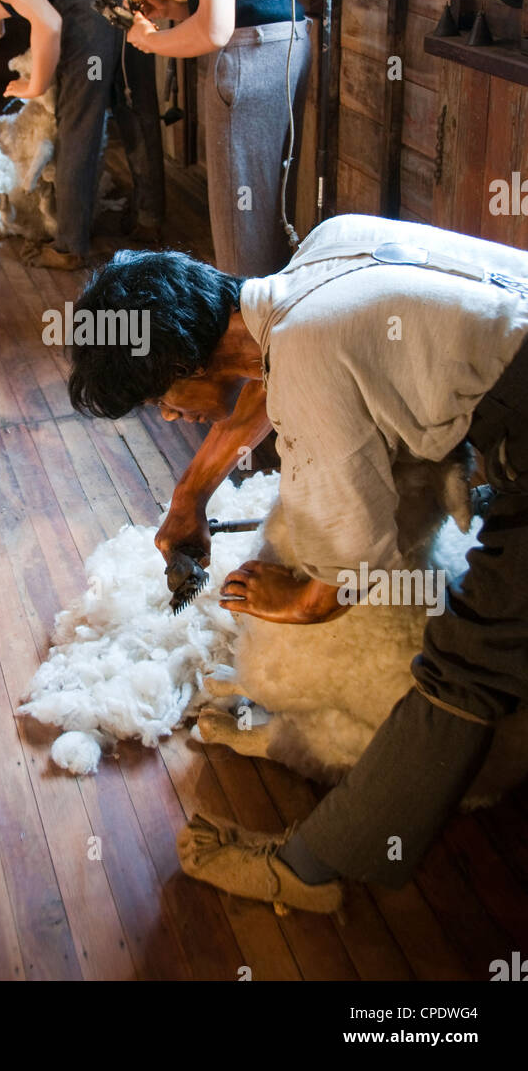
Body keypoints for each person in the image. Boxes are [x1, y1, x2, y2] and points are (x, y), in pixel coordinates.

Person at [66, 213, 528, 915]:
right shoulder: (321, 254)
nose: (165, 416)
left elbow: (356, 558)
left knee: (469, 662)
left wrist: (296, 599)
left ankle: (312, 868)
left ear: (189, 364)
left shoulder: (305, 351)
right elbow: (272, 371)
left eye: (159, 399)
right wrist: (189, 498)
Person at [72, 0, 311, 277]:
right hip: (278, 46)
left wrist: (148, 39)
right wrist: (180, 5)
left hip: (253, 59)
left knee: (241, 222)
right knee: (266, 210)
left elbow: (216, 31)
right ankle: (265, 324)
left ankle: (247, 329)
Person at [0, 0, 165, 269]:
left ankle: (68, 247)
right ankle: (149, 218)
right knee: (136, 107)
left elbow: (49, 22)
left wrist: (35, 86)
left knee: (77, 121)